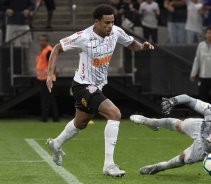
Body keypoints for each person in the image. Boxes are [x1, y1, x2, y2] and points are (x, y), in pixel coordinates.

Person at [45, 4, 154, 177]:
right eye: (106, 23)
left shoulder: (116, 32)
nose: (110, 26)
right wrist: (50, 73)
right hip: (83, 85)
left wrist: (142, 47)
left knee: (80, 123)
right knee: (115, 114)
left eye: (112, 22)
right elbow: (57, 48)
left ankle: (56, 144)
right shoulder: (83, 36)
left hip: (98, 85)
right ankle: (109, 165)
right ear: (96, 22)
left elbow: (131, 43)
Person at [130, 94, 211, 175]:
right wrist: (173, 101)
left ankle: (158, 167)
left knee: (183, 158)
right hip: (203, 127)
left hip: (206, 145)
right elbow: (188, 99)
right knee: (179, 125)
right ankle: (148, 121)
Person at [35, 34, 60, 122]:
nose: (42, 42)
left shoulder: (48, 51)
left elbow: (53, 63)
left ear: (47, 41)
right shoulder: (42, 51)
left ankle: (46, 118)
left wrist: (53, 75)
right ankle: (53, 117)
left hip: (47, 79)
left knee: (48, 99)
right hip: (42, 79)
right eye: (41, 40)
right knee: (47, 99)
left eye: (44, 40)